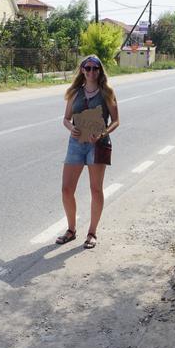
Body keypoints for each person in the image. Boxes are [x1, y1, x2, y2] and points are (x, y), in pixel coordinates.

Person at [57, 55, 120, 249]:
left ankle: (92, 232)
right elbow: (66, 118)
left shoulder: (107, 92)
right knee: (67, 189)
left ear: (100, 71)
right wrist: (70, 127)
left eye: (95, 68)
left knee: (95, 189)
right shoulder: (75, 92)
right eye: (88, 68)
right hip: (76, 143)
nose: (91, 71)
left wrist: (103, 132)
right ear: (82, 70)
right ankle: (71, 229)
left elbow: (116, 121)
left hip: (98, 144)